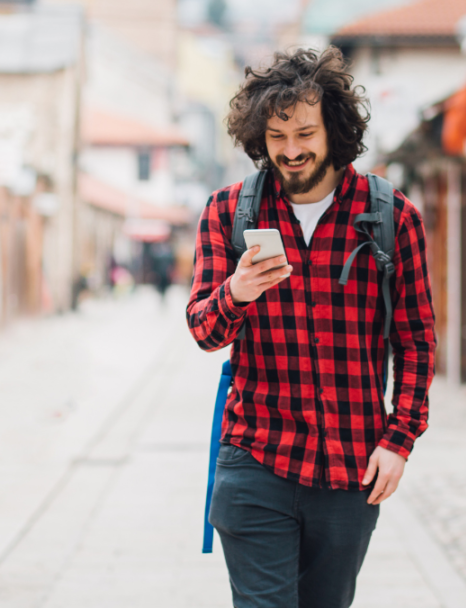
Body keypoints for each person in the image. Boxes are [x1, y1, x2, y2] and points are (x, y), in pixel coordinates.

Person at [186, 47, 436, 608]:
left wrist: (400, 440)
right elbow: (204, 330)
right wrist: (237, 292)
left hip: (350, 470)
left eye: (304, 133)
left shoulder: (392, 217)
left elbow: (417, 341)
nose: (292, 150)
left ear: (334, 128)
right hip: (255, 461)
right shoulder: (229, 213)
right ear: (259, 138)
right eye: (276, 138)